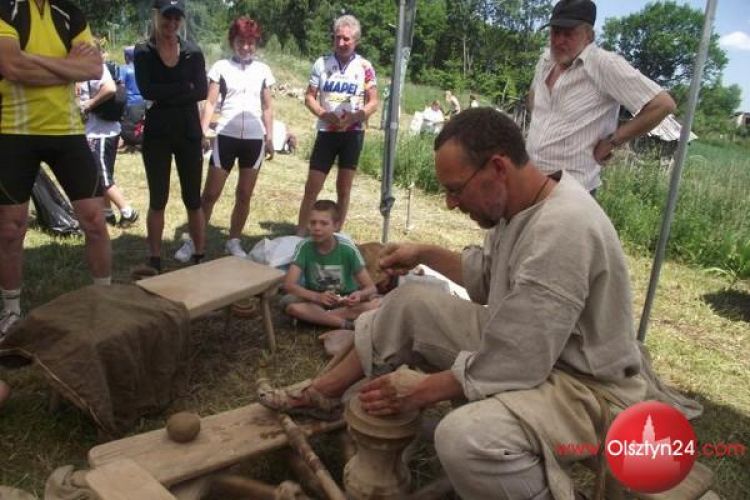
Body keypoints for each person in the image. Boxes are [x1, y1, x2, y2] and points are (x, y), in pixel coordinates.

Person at [259, 108, 656, 499]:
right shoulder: (520, 205)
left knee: (464, 439)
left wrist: (425, 389)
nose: (450, 203)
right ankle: (325, 393)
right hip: (539, 352)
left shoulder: (563, 229)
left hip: (584, 386)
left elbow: (519, 358)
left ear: (497, 168)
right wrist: (424, 253)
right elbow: (485, 279)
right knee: (408, 302)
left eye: (455, 189)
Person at [0, 0, 111, 336]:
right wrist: (66, 65)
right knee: (10, 229)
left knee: (95, 220)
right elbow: (12, 68)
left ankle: (104, 303)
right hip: (14, 130)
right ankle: (10, 312)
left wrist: (30, 58)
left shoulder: (71, 12)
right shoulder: (7, 8)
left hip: (66, 130)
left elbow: (92, 70)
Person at [527, 0, 676, 194]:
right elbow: (533, 99)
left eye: (568, 33)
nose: (558, 40)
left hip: (569, 191)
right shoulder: (546, 60)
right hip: (531, 179)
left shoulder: (603, 64)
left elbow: (663, 104)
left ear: (589, 35)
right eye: (555, 32)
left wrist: (614, 140)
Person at [134, 0, 207, 272]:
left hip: (188, 132)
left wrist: (168, 90)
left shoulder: (193, 52)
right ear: (156, 15)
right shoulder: (144, 51)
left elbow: (200, 90)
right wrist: (182, 86)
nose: (171, 23)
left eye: (177, 18)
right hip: (158, 134)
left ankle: (200, 254)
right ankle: (154, 257)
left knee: (193, 198)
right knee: (158, 198)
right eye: (167, 17)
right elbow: (147, 90)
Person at [197, 16, 274, 258]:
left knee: (244, 194)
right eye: (241, 41)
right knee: (210, 194)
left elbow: (268, 107)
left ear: (256, 43)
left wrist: (270, 137)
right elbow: (210, 103)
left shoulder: (263, 70)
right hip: (226, 136)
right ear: (233, 41)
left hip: (254, 140)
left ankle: (234, 240)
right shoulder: (221, 67)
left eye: (251, 42)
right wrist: (202, 131)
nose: (246, 47)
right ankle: (194, 240)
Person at [295, 14, 378, 236]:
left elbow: (374, 101)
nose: (341, 43)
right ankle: (301, 233)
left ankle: (336, 232)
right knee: (312, 186)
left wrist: (355, 117)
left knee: (344, 187)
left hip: (352, 134)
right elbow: (309, 97)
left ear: (356, 41)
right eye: (337, 38)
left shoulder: (365, 66)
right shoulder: (321, 63)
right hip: (327, 131)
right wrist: (323, 113)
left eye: (346, 39)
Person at [282, 200, 379, 330]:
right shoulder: (304, 247)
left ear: (336, 226)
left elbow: (371, 288)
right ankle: (344, 324)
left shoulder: (348, 249)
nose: (317, 228)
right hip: (316, 301)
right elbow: (289, 285)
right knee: (289, 303)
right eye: (313, 222)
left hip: (345, 302)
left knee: (376, 304)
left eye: (324, 223)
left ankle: (319, 318)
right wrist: (316, 297)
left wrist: (358, 295)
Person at [78, 60, 139, 228]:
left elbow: (110, 88)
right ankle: (107, 213)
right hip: (97, 131)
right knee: (104, 175)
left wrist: (88, 104)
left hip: (101, 133)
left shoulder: (96, 67)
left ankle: (127, 211)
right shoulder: (80, 70)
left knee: (102, 177)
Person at [119, 45, 146, 152]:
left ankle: (131, 143)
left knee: (128, 123)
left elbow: (120, 85)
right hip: (142, 101)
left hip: (130, 102)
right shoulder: (143, 68)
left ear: (127, 57)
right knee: (139, 123)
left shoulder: (124, 69)